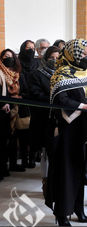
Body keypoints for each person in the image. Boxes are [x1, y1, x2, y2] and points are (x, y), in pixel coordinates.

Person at [46, 39, 87, 227]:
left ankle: (79, 209)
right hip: (69, 130)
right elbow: (60, 99)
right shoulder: (60, 74)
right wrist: (82, 106)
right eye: (84, 54)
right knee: (67, 172)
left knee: (81, 170)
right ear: (74, 55)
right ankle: (62, 213)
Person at [28, 45, 60, 196]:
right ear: (45, 59)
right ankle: (46, 183)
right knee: (46, 152)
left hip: (59, 118)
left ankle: (57, 182)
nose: (54, 61)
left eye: (57, 58)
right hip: (43, 118)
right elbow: (35, 94)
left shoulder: (63, 75)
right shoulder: (37, 74)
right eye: (51, 58)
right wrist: (55, 99)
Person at [0, 49, 24, 175]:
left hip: (15, 109)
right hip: (4, 109)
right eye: (5, 56)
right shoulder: (0, 72)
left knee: (12, 139)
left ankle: (10, 165)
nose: (8, 58)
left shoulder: (17, 74)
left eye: (10, 56)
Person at [18, 40, 38, 168]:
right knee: (24, 130)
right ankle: (24, 158)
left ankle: (32, 158)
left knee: (34, 130)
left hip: (36, 100)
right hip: (23, 100)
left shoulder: (37, 63)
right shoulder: (18, 62)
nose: (30, 50)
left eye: (32, 48)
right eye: (28, 48)